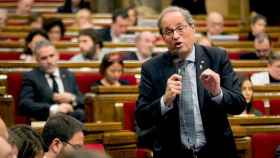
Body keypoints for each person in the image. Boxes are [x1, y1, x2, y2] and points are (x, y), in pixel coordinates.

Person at [135, 6, 246, 158]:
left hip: (216, 151)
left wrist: (217, 93)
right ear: (163, 38)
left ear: (193, 28)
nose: (175, 36)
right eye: (168, 32)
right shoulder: (151, 68)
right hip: (173, 153)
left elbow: (239, 105)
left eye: (180, 28)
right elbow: (142, 119)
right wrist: (164, 101)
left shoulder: (217, 57)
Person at [19, 40, 85, 122]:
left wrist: (72, 98)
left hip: (71, 119)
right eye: (44, 58)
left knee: (80, 113)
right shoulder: (31, 77)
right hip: (45, 121)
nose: (49, 61)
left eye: (51, 56)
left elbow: (82, 99)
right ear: (37, 60)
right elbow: (25, 104)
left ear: (58, 56)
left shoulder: (68, 75)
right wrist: (54, 109)